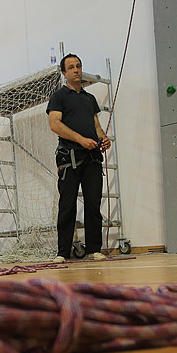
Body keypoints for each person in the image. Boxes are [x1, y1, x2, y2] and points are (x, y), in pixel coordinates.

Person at [46, 54, 112, 262]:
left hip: (92, 158)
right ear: (64, 73)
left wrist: (103, 138)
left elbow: (96, 126)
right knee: (67, 205)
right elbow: (55, 124)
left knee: (93, 204)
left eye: (79, 66)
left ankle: (94, 249)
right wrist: (81, 140)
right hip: (69, 158)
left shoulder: (89, 99)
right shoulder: (59, 97)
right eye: (71, 67)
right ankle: (62, 253)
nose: (76, 70)